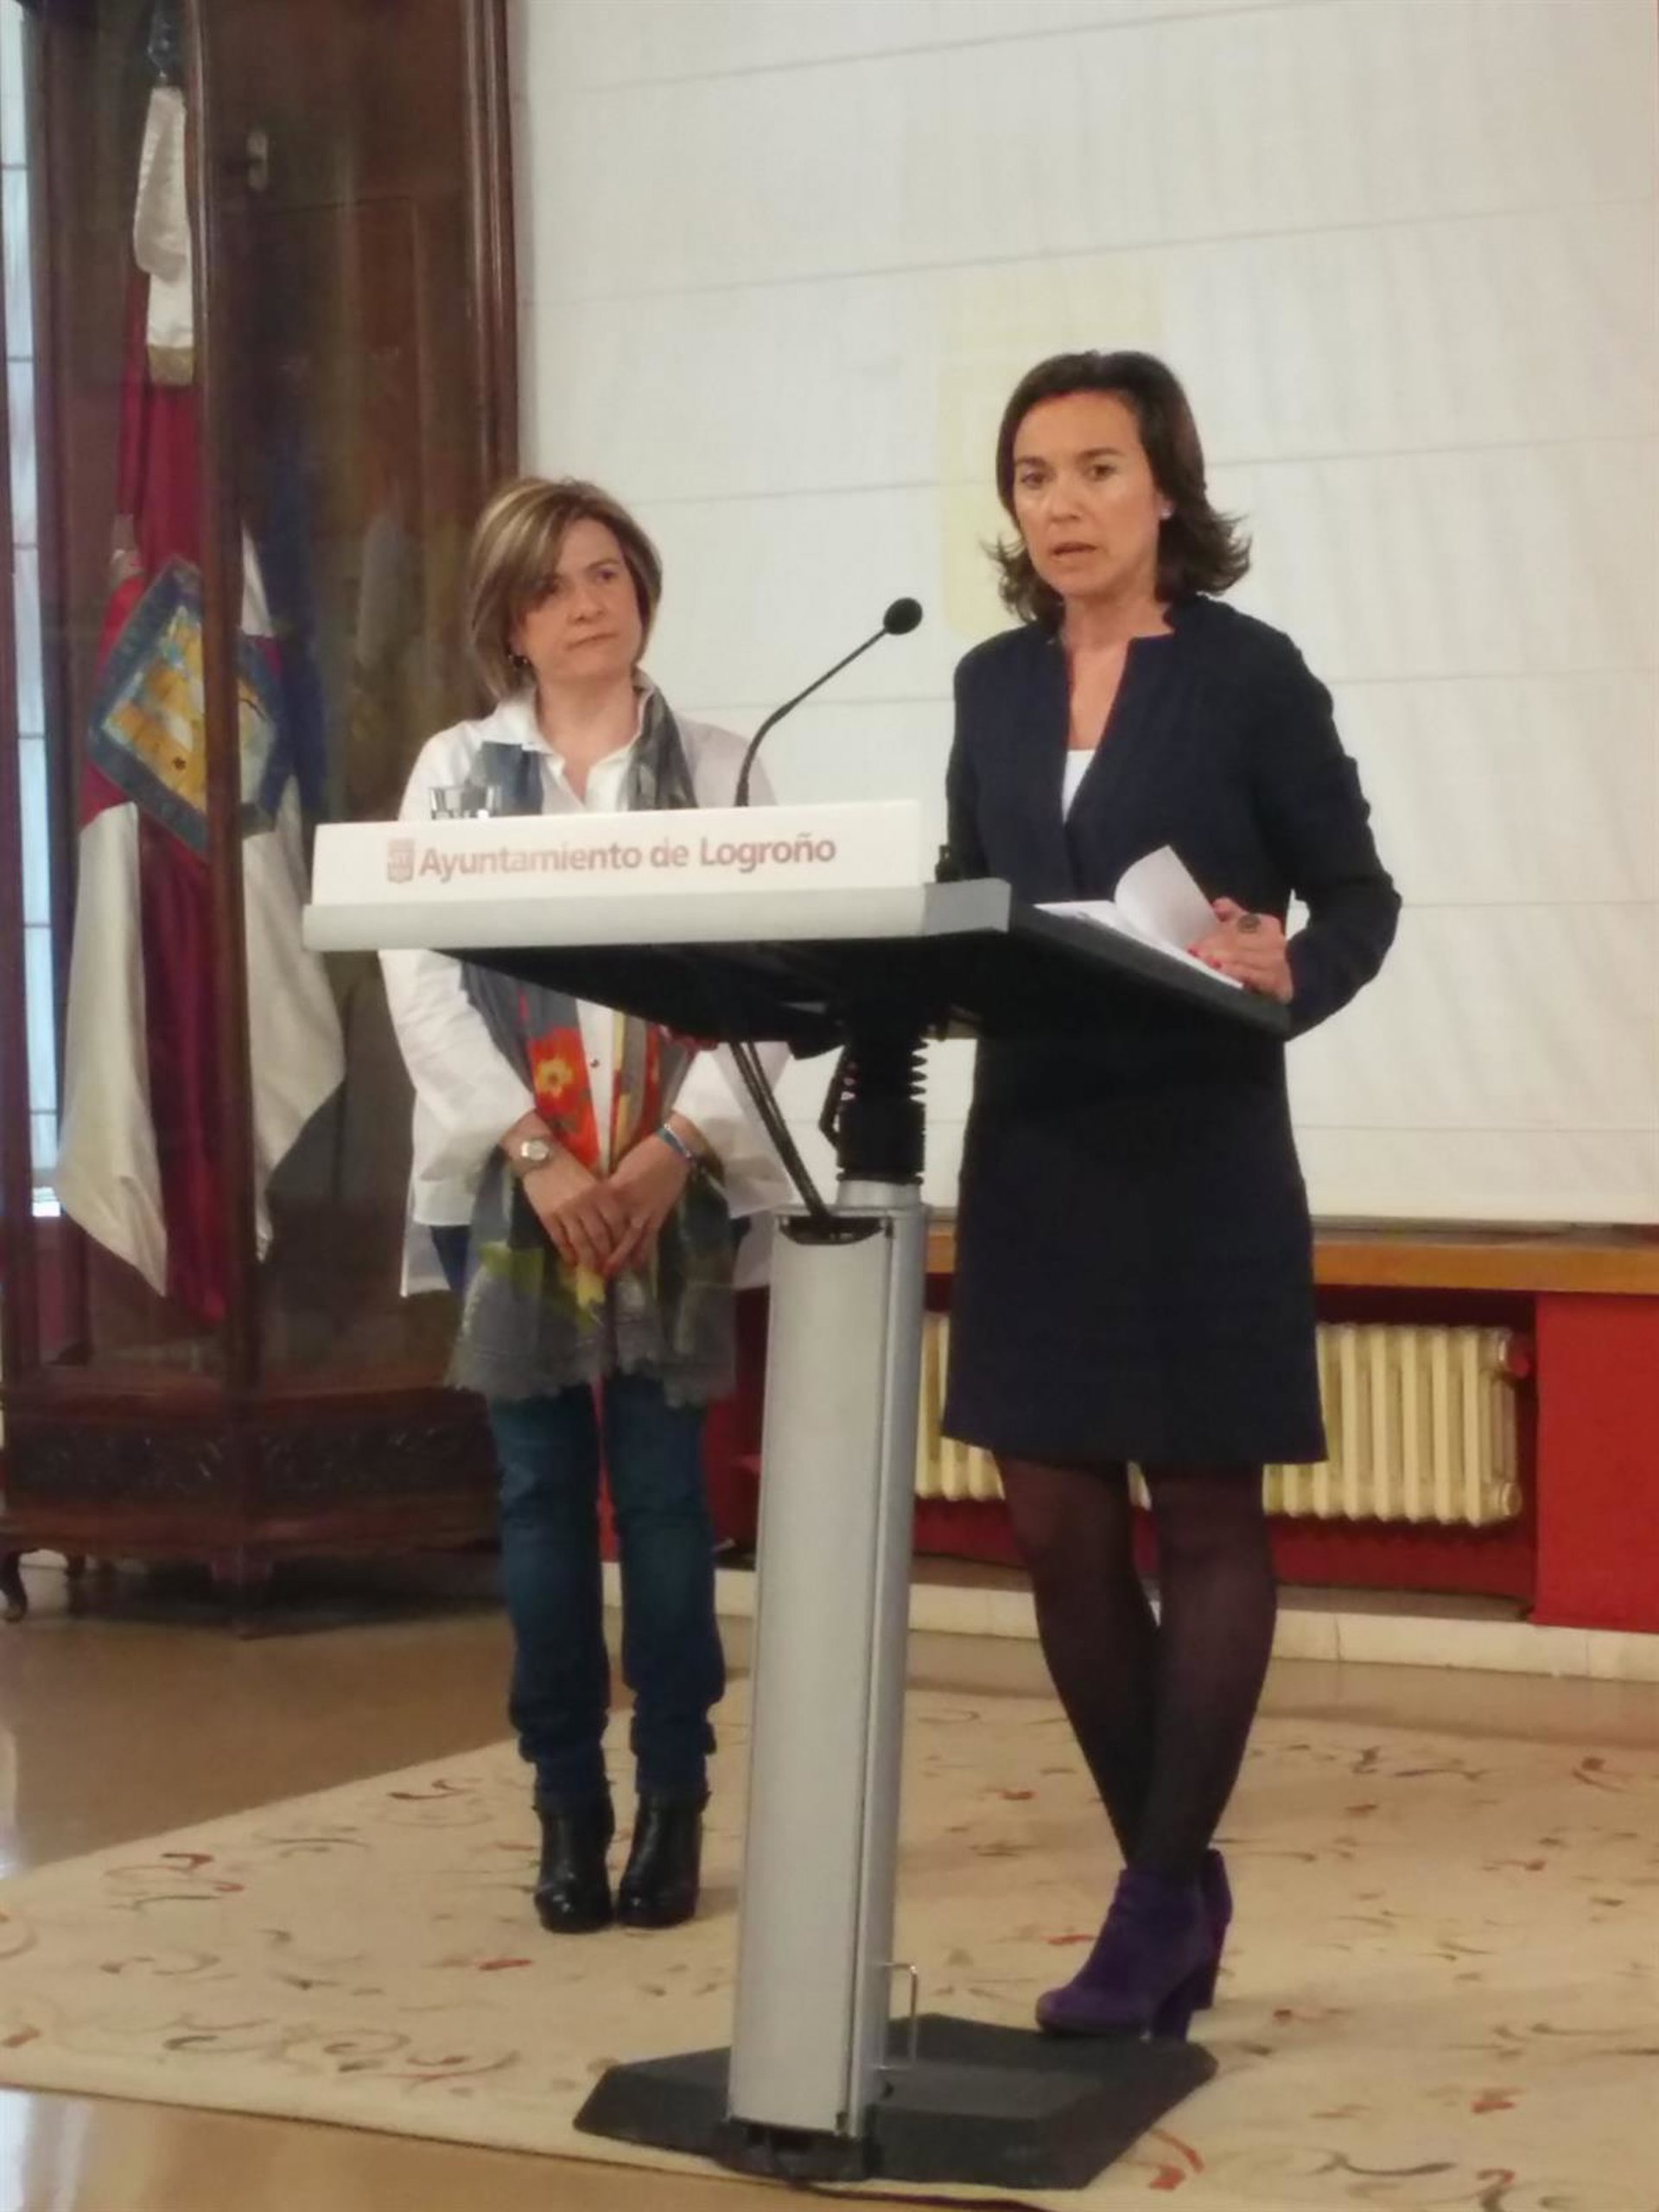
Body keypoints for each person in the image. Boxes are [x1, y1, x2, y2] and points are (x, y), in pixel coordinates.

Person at [943, 352, 1399, 2038]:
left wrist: (1294, 966)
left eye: (1097, 469)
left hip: (1199, 1144)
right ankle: (1179, 1875)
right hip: (1037, 1149)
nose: (1062, 504)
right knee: (1055, 1524)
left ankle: (1147, 1903)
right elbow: (965, 888)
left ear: (1164, 489)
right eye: (1034, 476)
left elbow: (1358, 897)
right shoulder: (990, 683)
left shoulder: (1249, 676)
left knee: (1204, 1511)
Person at [383, 477, 781, 1936]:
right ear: (510, 622)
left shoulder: (725, 766)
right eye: (552, 586)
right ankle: (566, 1801)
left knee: (667, 1505)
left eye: (608, 572)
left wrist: (672, 1148)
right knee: (542, 1499)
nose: (588, 604)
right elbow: (419, 977)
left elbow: (776, 985)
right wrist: (541, 1154)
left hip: (676, 1180)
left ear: (643, 590)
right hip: (509, 1188)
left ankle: (673, 1794)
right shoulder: (454, 772)